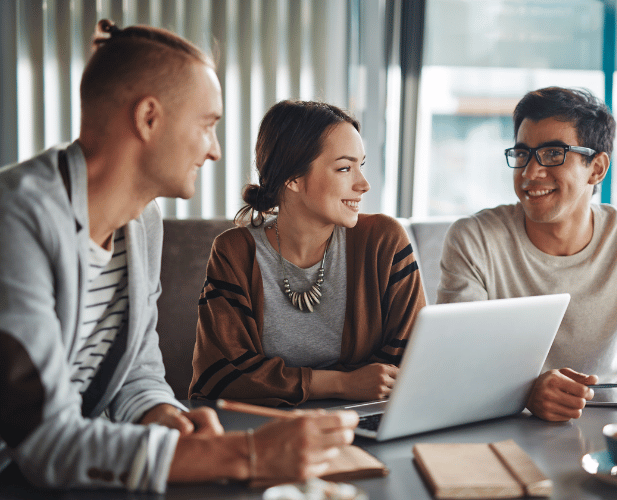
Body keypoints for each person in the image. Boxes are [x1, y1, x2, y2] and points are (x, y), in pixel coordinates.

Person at [0, 20, 357, 492]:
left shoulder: (142, 220)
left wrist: (163, 416)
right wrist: (244, 453)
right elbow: (43, 439)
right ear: (149, 118)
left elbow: (137, 373)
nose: (214, 151)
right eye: (207, 125)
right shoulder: (16, 220)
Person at [437, 86, 617, 424]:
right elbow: (457, 360)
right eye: (523, 154)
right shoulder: (474, 239)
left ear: (597, 168)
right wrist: (524, 391)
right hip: (505, 419)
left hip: (613, 417)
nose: (531, 173)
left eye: (552, 154)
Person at [190, 100, 426, 405]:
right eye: (344, 168)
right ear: (293, 178)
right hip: (268, 428)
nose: (363, 184)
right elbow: (220, 375)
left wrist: (273, 381)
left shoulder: (383, 241)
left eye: (361, 165)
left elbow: (412, 361)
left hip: (363, 418)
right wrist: (343, 383)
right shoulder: (235, 252)